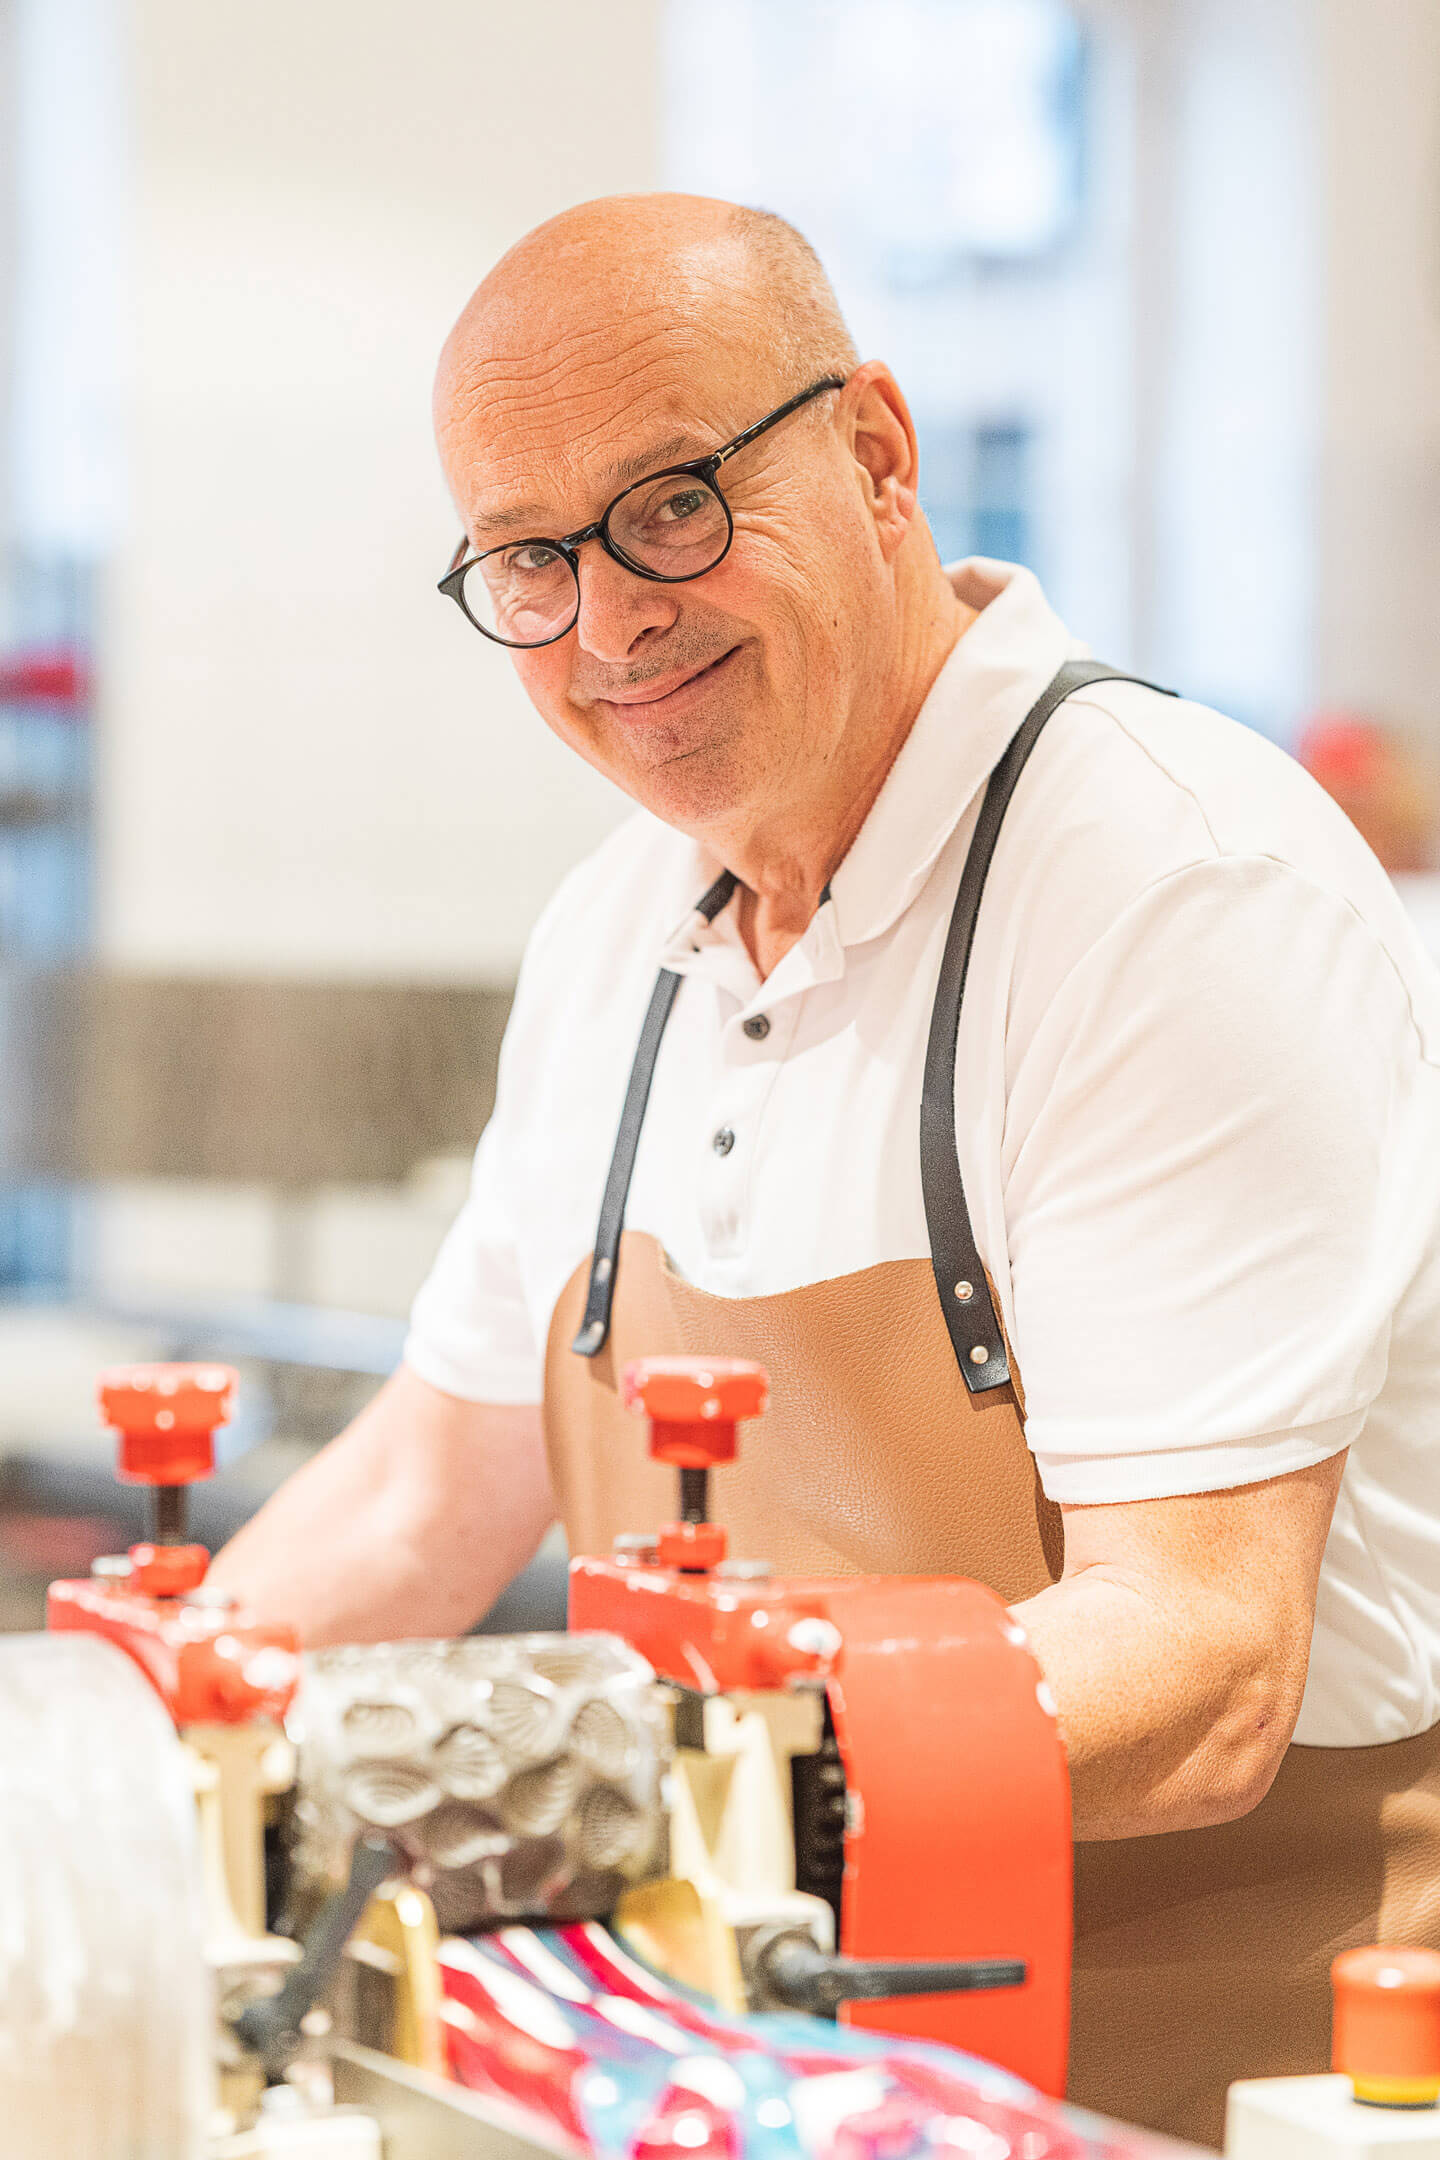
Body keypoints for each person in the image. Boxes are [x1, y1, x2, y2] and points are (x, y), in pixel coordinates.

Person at [211, 195, 1440, 2143]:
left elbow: (1203, 1661)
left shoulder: (1166, 881)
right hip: (778, 2071)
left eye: (675, 505)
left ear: (874, 451)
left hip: (1188, 2073)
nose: (611, 621)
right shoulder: (618, 932)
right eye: (531, 557)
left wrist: (643, 1763)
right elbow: (425, 1495)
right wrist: (125, 1753)